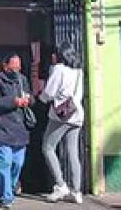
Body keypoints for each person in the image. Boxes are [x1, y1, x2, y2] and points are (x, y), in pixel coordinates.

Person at [37, 44, 85, 204]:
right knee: (73, 153)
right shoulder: (78, 71)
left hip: (61, 115)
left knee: (47, 147)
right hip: (76, 114)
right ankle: (77, 191)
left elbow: (49, 93)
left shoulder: (58, 69)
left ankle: (60, 185)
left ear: (59, 55)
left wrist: (40, 98)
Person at [0, 54, 33, 208]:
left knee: (17, 164)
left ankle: (10, 188)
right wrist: (14, 101)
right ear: (6, 66)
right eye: (13, 66)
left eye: (18, 66)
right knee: (4, 164)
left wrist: (28, 100)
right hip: (2, 128)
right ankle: (6, 198)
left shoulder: (23, 80)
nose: (16, 69)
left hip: (20, 130)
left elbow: (31, 98)